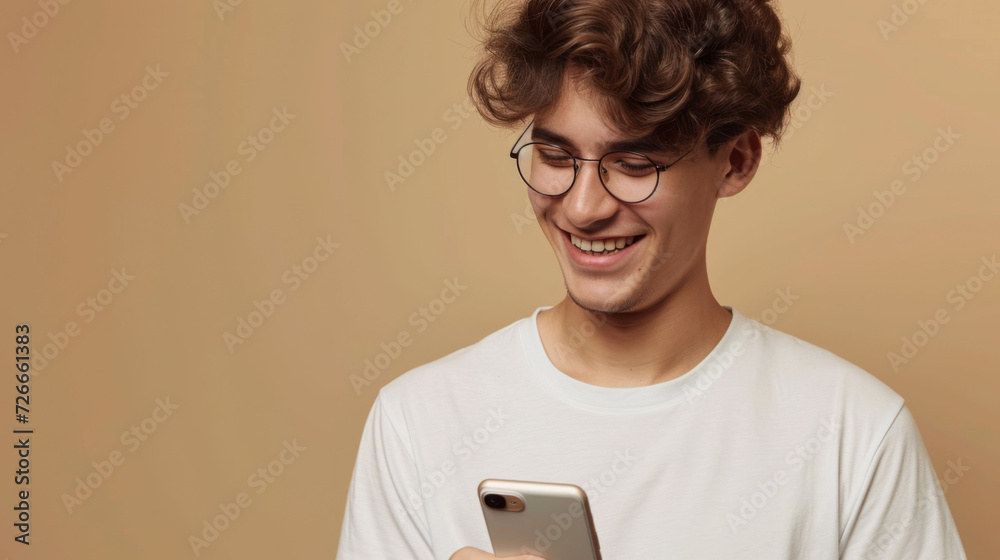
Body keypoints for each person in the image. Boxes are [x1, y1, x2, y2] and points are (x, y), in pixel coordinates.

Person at [336, 0, 969, 558]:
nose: (583, 206)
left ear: (737, 160)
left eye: (635, 162)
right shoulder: (418, 423)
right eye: (555, 155)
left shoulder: (853, 436)